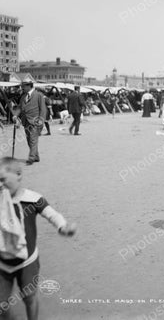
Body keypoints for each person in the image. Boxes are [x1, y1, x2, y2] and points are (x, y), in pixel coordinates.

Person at [0, 157, 76, 320]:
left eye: (2, 179)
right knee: (2, 303)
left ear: (18, 174)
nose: (0, 185)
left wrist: (62, 227)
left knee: (29, 297)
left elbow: (52, 214)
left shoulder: (32, 199)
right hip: (3, 263)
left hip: (28, 262)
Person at [13, 82, 46, 165]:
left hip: (36, 121)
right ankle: (36, 156)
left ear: (30, 86)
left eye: (24, 86)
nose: (22, 87)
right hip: (26, 121)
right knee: (29, 140)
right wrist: (15, 115)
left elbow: (43, 109)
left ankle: (31, 158)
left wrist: (41, 120)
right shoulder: (23, 96)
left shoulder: (39, 95)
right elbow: (20, 108)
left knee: (33, 139)